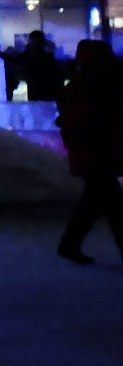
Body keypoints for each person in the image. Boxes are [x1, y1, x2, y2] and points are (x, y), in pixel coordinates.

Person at [56, 39, 123, 265]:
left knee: (96, 201)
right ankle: (69, 244)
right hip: (97, 151)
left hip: (90, 152)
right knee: (112, 204)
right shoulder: (98, 85)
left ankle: (69, 244)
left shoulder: (79, 86)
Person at [25, 31, 64, 103]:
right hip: (48, 79)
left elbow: (22, 58)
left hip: (36, 79)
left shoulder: (30, 47)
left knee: (35, 102)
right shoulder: (49, 46)